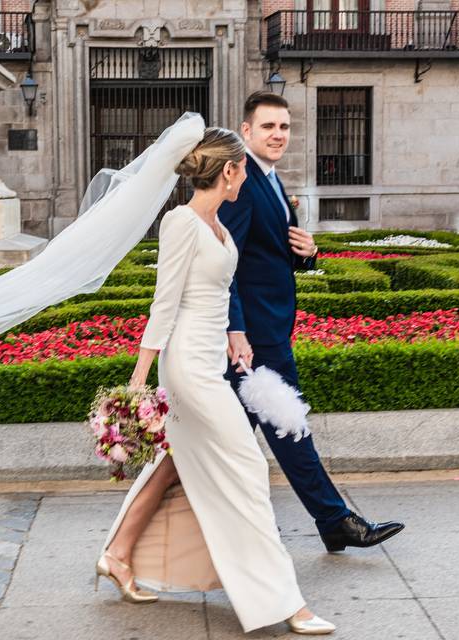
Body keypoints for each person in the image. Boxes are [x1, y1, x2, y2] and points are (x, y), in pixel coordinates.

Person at [97, 127, 336, 635]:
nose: (246, 174)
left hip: (213, 359)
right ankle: (285, 603)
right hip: (187, 368)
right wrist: (140, 383)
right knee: (248, 472)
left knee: (176, 463)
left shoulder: (221, 227)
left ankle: (118, 555)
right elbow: (165, 305)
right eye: (242, 167)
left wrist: (236, 333)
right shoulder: (181, 223)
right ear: (227, 171)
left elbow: (220, 290)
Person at [220, 91, 404, 552]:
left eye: (284, 127)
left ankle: (330, 521)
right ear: (246, 132)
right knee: (287, 430)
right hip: (253, 339)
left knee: (249, 439)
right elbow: (223, 264)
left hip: (269, 329)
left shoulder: (271, 179)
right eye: (268, 127)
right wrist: (235, 328)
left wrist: (309, 254)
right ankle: (335, 520)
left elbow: (268, 252)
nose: (278, 135)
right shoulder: (240, 183)